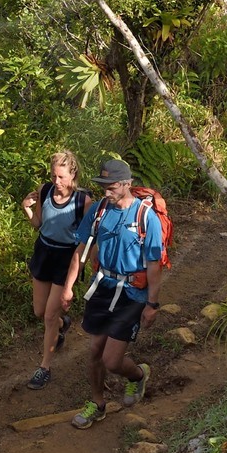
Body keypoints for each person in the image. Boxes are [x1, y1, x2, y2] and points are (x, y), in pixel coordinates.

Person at [60, 158, 165, 429]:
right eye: (103, 185)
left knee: (112, 359)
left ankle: (138, 375)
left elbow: (154, 263)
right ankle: (98, 403)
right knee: (95, 351)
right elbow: (80, 252)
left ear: (127, 184)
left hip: (132, 295)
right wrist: (69, 287)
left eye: (112, 186)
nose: (106, 190)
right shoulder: (98, 211)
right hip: (102, 287)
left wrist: (152, 303)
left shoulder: (146, 217)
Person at [21, 151, 89, 390]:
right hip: (44, 252)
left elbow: (85, 240)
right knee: (40, 311)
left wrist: (78, 269)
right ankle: (62, 324)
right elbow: (39, 223)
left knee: (49, 316)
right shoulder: (45, 191)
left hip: (65, 258)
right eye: (53, 176)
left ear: (73, 175)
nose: (56, 182)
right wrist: (27, 208)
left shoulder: (83, 202)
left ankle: (44, 367)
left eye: (61, 177)